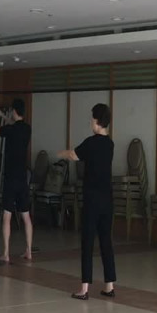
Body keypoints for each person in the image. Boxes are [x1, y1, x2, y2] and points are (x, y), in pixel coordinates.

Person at [57, 103, 116, 300]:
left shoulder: (91, 142)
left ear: (97, 121)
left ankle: (84, 288)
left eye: (92, 119)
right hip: (107, 198)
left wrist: (61, 153)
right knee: (106, 241)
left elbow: (74, 155)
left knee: (88, 242)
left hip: (92, 198)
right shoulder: (110, 144)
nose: (91, 122)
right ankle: (109, 285)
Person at [0, 99, 34, 262]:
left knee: (7, 216)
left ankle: (6, 253)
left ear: (14, 111)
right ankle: (29, 251)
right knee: (26, 216)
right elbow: (13, 125)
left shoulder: (10, 130)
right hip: (23, 178)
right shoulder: (27, 129)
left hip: (10, 178)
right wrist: (3, 115)